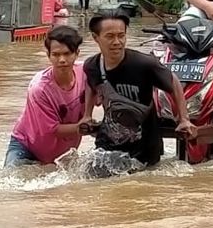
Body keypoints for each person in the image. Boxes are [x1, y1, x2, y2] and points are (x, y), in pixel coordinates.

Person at [83, 11, 197, 166]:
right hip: (108, 143)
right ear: (96, 38)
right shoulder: (92, 65)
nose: (117, 42)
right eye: (110, 36)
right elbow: (90, 85)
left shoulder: (144, 64)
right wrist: (87, 115)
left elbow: (174, 82)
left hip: (144, 148)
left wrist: (184, 119)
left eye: (121, 35)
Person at [4, 26, 91, 167]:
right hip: (27, 146)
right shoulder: (39, 89)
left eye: (67, 54)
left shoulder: (87, 73)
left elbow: (101, 95)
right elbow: (54, 130)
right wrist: (85, 128)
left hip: (63, 152)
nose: (62, 60)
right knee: (9, 183)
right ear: (48, 56)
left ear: (77, 54)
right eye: (56, 55)